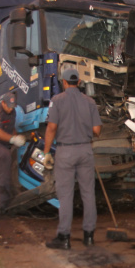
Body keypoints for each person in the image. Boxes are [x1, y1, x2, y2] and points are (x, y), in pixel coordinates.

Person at [43, 68, 102, 250]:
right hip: (85, 151)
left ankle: (64, 237)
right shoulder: (90, 102)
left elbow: (52, 128)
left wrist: (46, 152)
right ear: (79, 82)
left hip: (65, 152)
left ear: (64, 82)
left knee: (66, 195)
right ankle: (89, 236)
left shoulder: (57, 101)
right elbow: (97, 131)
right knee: (88, 194)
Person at [0, 92, 26, 213]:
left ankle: (17, 189)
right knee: (5, 156)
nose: (10, 108)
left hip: (6, 142)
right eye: (8, 106)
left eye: (12, 106)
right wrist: (13, 139)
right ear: (3, 103)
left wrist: (16, 137)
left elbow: (11, 127)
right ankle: (4, 204)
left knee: (22, 154)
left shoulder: (12, 112)